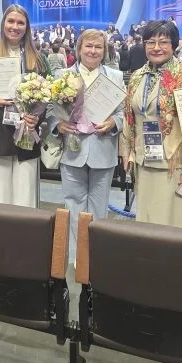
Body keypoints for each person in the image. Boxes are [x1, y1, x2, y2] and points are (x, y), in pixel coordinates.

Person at [48, 30, 124, 262]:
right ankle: (75, 259)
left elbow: (123, 112)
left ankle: (96, 258)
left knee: (99, 208)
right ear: (79, 49)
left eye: (98, 47)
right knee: (73, 206)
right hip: (72, 151)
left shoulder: (115, 76)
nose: (93, 51)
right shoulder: (62, 75)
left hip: (103, 149)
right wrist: (57, 124)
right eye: (88, 46)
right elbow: (50, 109)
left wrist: (114, 122)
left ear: (105, 50)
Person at [121, 20, 182, 229]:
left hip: (174, 165)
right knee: (147, 226)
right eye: (150, 42)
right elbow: (129, 118)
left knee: (175, 227)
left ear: (174, 44)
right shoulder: (137, 76)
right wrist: (127, 153)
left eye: (163, 42)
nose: (156, 47)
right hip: (144, 161)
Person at [0, 4, 49, 206]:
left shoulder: (38, 58)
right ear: (3, 23)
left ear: (27, 27)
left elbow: (46, 98)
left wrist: (36, 118)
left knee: (25, 200)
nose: (15, 27)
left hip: (27, 136)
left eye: (20, 23)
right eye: (11, 21)